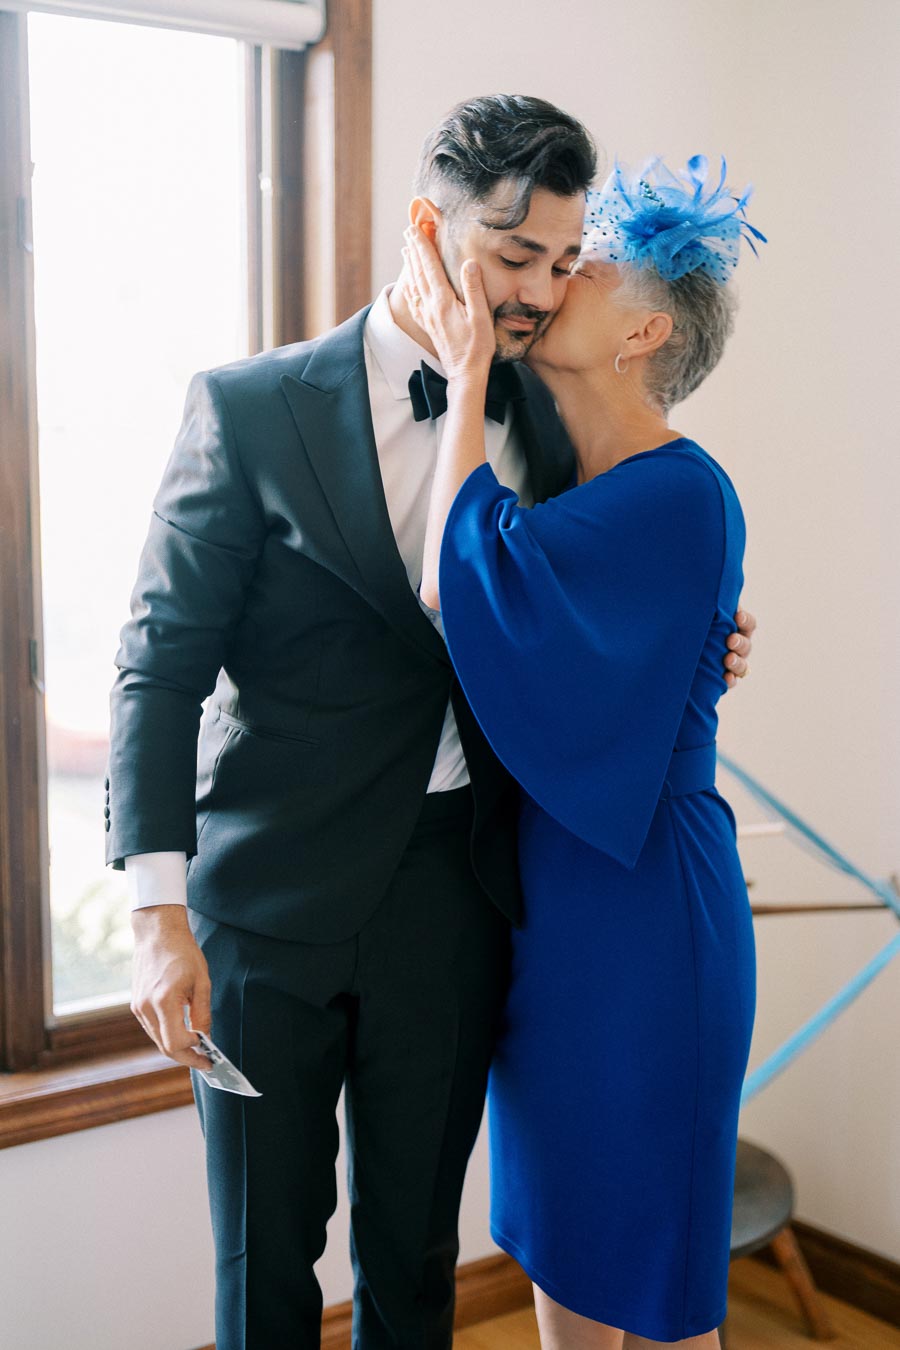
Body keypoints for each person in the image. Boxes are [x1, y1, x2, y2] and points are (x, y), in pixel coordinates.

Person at [107, 97, 754, 1350]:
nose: (536, 294)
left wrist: (711, 647)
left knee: (417, 1269)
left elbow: (606, 606)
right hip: (265, 916)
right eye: (514, 258)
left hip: (460, 911)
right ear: (428, 227)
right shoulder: (249, 410)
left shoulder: (551, 428)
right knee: (264, 1274)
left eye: (565, 264)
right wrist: (152, 913)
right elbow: (158, 668)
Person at [403, 152, 763, 1349]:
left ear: (642, 331)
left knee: (653, 1278)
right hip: (550, 912)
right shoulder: (564, 480)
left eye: (587, 269)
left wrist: (463, 379)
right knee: (562, 1240)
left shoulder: (684, 491)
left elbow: (469, 580)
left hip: (649, 918)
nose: (558, 282)